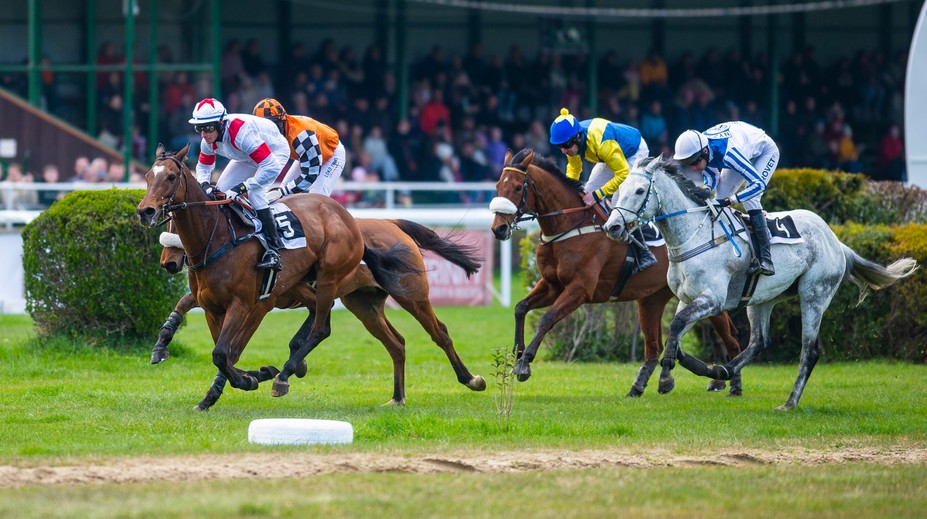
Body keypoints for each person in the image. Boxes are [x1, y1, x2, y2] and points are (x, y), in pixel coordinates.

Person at [549, 107, 655, 271]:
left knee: (618, 204)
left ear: (577, 136)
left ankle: (643, 252)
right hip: (611, 156)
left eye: (566, 145)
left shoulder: (600, 142)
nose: (563, 150)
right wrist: (568, 192)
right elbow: (574, 171)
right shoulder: (573, 142)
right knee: (586, 192)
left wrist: (598, 195)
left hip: (633, 151)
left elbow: (622, 174)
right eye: (559, 147)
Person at [189, 97, 289, 270]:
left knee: (256, 195)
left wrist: (243, 187)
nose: (203, 134)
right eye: (199, 128)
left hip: (272, 154)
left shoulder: (241, 133)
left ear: (221, 123)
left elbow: (271, 167)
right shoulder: (208, 140)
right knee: (219, 191)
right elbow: (204, 167)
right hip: (246, 156)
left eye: (207, 128)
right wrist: (204, 184)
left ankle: (274, 251)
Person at [672, 121, 778, 276]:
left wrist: (731, 200)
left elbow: (759, 184)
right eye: (688, 164)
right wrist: (706, 191)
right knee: (719, 197)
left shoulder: (728, 154)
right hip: (743, 150)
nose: (693, 168)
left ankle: (766, 259)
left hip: (764, 152)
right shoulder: (703, 149)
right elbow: (712, 175)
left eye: (694, 162)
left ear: (706, 151)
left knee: (750, 199)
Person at [251, 97, 345, 199]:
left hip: (331, 155)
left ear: (282, 122)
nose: (269, 131)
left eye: (272, 125)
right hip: (307, 153)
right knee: (282, 198)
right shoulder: (281, 127)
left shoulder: (301, 136)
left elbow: (310, 175)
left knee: (316, 199)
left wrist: (283, 191)